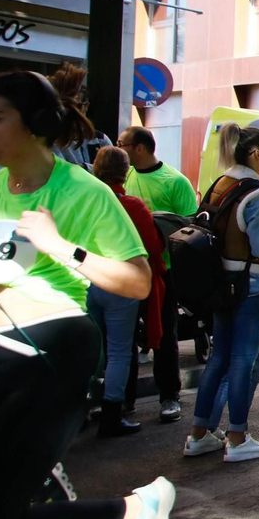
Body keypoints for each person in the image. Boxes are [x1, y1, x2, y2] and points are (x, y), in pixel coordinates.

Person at [0, 74, 175, 519]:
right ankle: (132, 510)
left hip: (53, 350)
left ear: (33, 124)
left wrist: (60, 248)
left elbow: (134, 280)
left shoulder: (83, 193)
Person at [185, 123, 259, 462]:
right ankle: (237, 437)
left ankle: (199, 434)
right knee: (243, 360)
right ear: (255, 153)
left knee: (219, 358)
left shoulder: (220, 185)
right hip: (251, 285)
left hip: (221, 282)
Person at [119, 126, 197, 423]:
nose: (119, 148)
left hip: (162, 273)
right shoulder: (123, 177)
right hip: (126, 271)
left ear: (139, 147)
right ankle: (124, 401)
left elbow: (189, 228)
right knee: (124, 339)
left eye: (122, 143)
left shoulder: (175, 181)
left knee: (165, 336)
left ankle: (170, 397)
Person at [88, 147, 167, 437]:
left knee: (94, 349)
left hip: (88, 280)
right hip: (121, 283)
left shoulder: (86, 200)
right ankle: (112, 414)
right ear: (125, 171)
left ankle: (82, 407)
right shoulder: (132, 205)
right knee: (120, 352)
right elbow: (153, 247)